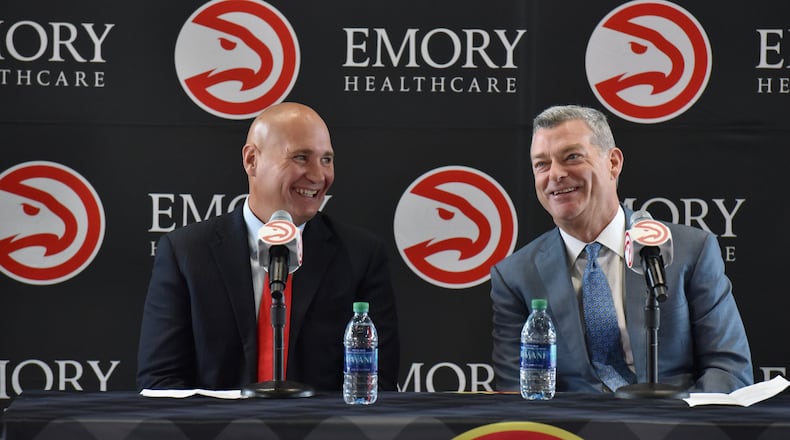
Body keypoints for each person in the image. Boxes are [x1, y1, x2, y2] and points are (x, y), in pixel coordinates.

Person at [137, 102, 400, 392]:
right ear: (252, 160)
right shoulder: (186, 252)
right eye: (301, 157)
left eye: (327, 160)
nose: (318, 175)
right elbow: (160, 384)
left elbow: (376, 384)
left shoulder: (361, 256)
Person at [490, 104, 753, 393]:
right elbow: (516, 392)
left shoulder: (692, 251)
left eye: (572, 157)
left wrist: (679, 425)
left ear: (613, 163)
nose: (555, 174)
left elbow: (729, 368)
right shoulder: (515, 276)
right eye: (542, 164)